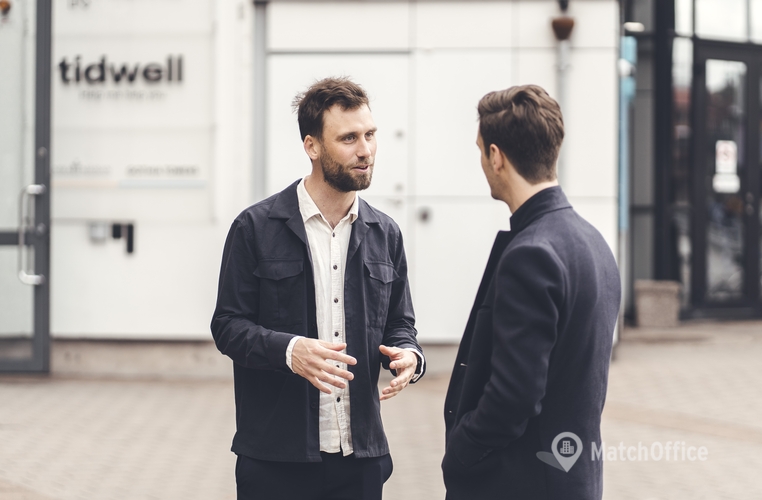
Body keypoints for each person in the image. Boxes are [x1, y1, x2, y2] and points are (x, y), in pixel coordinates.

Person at [211, 77, 425, 500]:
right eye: (348, 138)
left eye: (370, 135)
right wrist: (290, 350)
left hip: (361, 461)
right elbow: (228, 326)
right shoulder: (254, 228)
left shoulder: (386, 233)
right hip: (276, 460)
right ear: (311, 146)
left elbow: (400, 323)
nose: (365, 150)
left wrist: (408, 355)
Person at [441, 85, 621, 499]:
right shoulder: (592, 241)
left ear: (496, 157)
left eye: (480, 150)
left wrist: (462, 450)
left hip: (522, 482)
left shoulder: (532, 253)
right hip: (572, 478)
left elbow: (513, 397)